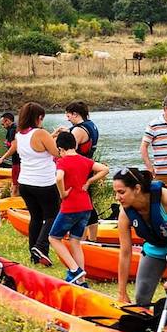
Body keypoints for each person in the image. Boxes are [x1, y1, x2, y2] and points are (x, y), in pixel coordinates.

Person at [113, 168, 167, 306]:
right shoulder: (125, 214)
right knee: (141, 299)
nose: (117, 197)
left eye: (121, 192)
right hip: (155, 248)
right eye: (115, 192)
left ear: (137, 189)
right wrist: (122, 292)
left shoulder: (165, 197)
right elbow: (125, 252)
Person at [48, 131, 109, 285]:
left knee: (53, 238)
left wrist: (62, 193)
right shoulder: (85, 160)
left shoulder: (62, 161)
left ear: (60, 148)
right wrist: (89, 181)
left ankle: (75, 269)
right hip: (86, 206)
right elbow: (104, 169)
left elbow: (59, 177)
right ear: (74, 145)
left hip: (70, 207)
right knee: (75, 241)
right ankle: (81, 281)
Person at [8, 102, 60, 266]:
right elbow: (57, 152)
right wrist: (61, 138)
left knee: (36, 217)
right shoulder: (41, 133)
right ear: (38, 118)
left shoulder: (19, 135)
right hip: (44, 182)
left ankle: (34, 254)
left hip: (25, 182)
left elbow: (37, 146)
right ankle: (41, 246)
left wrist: (53, 135)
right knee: (52, 216)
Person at [59, 101, 100, 241]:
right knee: (88, 202)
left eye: (68, 115)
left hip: (78, 170)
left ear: (75, 114)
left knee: (79, 204)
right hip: (88, 166)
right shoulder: (91, 125)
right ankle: (92, 238)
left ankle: (80, 239)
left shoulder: (78, 130)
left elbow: (70, 149)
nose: (67, 119)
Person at [0, 112, 20, 196]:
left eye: (2, 124)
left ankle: (14, 201)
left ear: (7, 121)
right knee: (15, 185)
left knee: (15, 186)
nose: (3, 126)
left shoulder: (12, 130)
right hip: (20, 161)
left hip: (17, 162)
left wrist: (2, 158)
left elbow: (14, 147)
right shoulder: (16, 128)